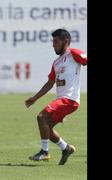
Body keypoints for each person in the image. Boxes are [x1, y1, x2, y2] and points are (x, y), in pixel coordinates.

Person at [25, 29, 87, 165]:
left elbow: (86, 60)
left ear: (65, 42)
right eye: (53, 42)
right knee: (46, 127)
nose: (53, 45)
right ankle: (66, 148)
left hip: (69, 99)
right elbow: (50, 83)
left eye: (56, 42)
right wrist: (35, 98)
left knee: (41, 117)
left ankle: (44, 152)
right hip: (61, 100)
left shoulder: (74, 54)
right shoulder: (57, 62)